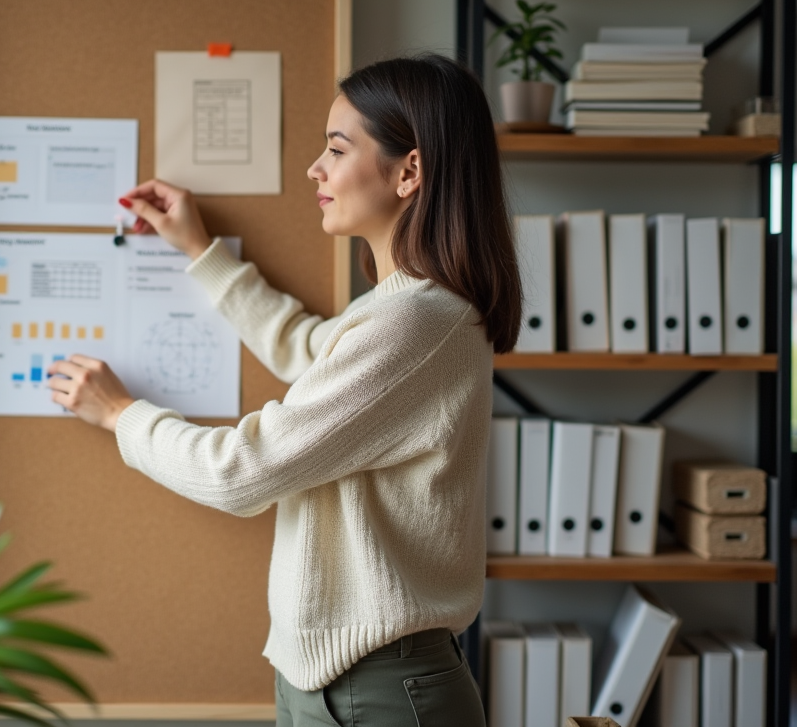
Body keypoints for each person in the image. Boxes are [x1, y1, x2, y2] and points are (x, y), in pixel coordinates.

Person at [44, 54, 520, 727]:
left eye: (334, 148)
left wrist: (121, 415)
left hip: (377, 691)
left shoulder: (417, 321)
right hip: (335, 684)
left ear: (410, 171)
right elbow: (308, 351)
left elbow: (242, 472)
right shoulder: (403, 314)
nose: (314, 170)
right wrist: (202, 251)